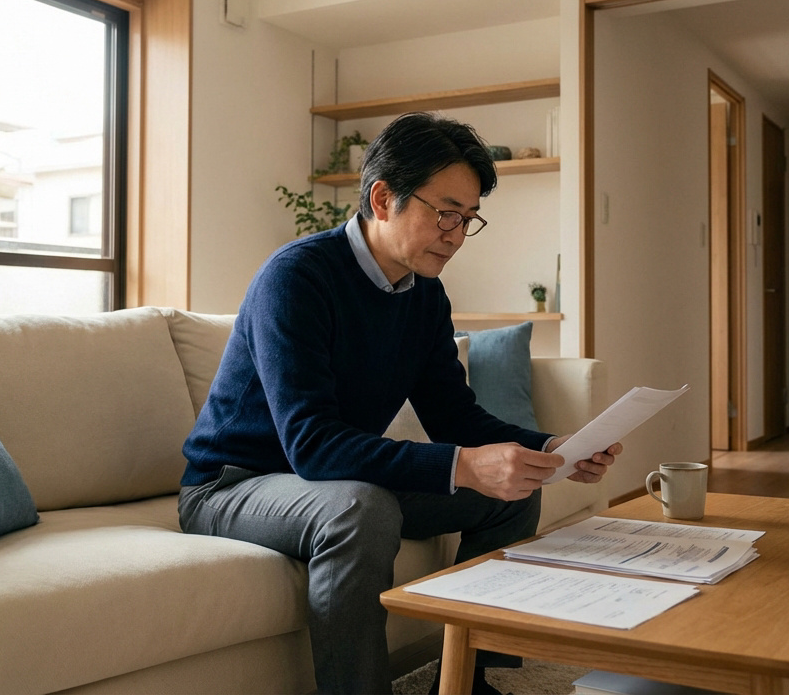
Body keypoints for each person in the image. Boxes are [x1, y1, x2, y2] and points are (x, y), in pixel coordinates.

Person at [178, 112, 621, 695]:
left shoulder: (425, 297)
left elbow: (455, 416)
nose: (457, 234)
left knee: (509, 497)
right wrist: (463, 464)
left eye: (468, 219)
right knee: (360, 508)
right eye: (445, 213)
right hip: (234, 485)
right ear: (382, 197)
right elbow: (312, 445)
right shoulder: (296, 279)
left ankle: (470, 681)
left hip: (327, 480)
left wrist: (548, 448)